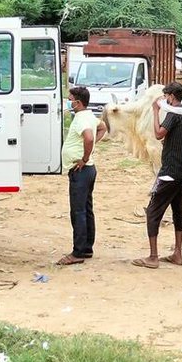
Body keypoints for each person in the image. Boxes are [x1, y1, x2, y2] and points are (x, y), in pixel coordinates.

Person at [133, 82, 182, 270]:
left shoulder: (173, 115)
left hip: (169, 171)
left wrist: (155, 112)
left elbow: (159, 134)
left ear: (170, 97)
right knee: (178, 211)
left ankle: (153, 257)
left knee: (153, 212)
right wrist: (180, 144)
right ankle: (178, 253)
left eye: (165, 96)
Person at [58, 86, 108, 266]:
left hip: (81, 170)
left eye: (70, 99)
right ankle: (87, 247)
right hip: (88, 170)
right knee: (86, 209)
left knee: (78, 211)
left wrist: (84, 157)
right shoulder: (90, 116)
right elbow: (102, 128)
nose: (69, 102)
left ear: (78, 102)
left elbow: (88, 138)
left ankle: (78, 252)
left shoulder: (81, 119)